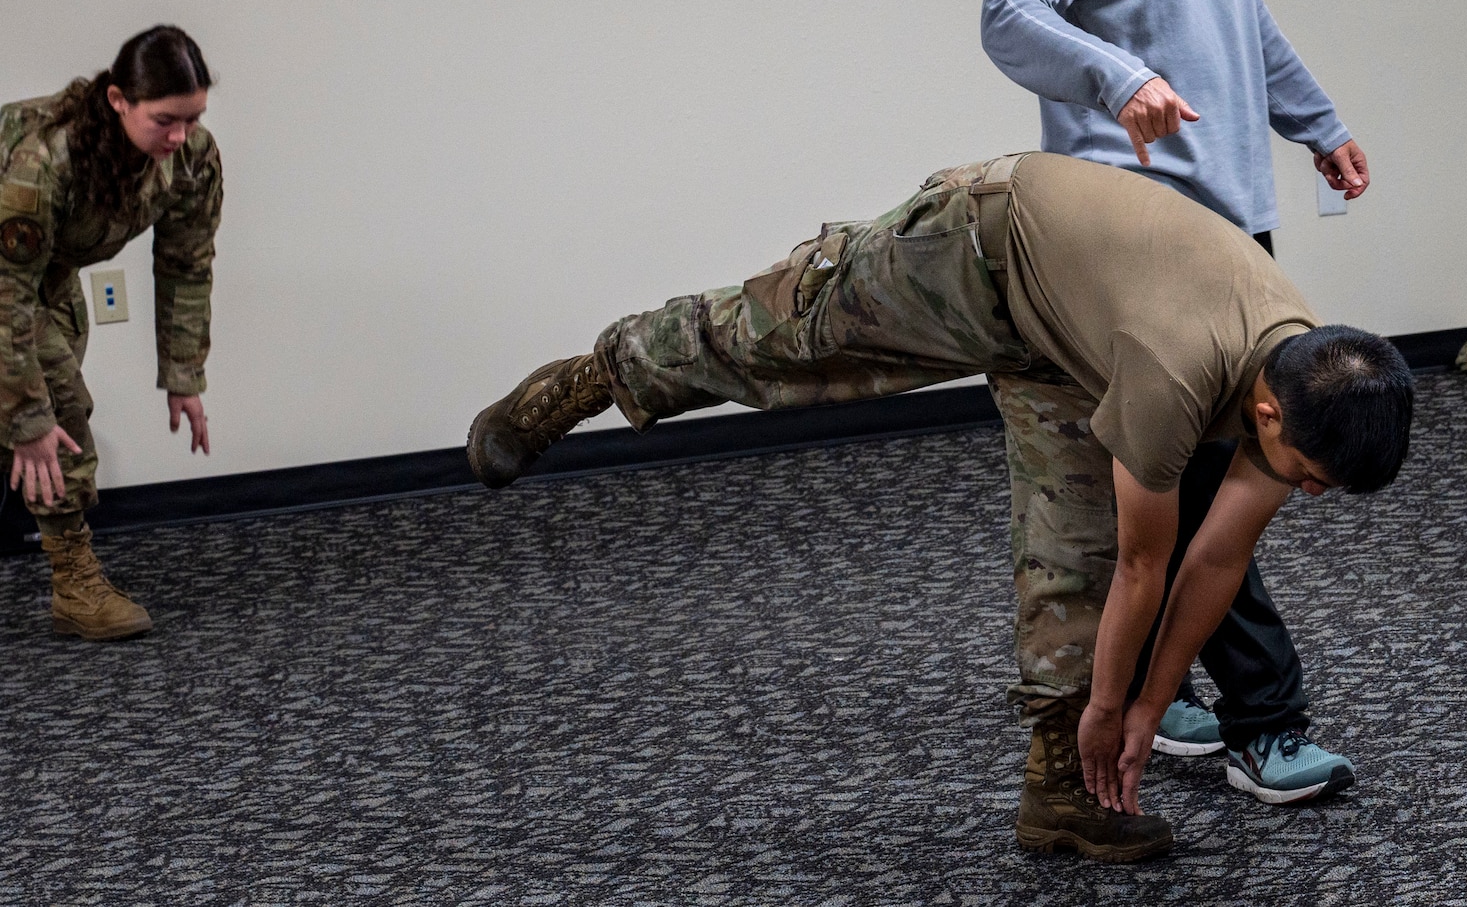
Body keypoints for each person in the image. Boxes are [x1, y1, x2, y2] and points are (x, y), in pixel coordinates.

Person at [466, 151, 1412, 862]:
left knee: (1069, 543)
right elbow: (1149, 565)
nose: (1311, 493)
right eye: (1313, 476)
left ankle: (1062, 790)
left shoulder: (1306, 376)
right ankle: (603, 371)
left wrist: (1144, 706)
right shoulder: (1179, 375)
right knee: (783, 343)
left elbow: (1213, 561)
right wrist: (1117, 703)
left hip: (1072, 336)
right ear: (1265, 411)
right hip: (973, 246)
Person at [979, 0, 1369, 803]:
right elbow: (1009, 13)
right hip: (1139, 235)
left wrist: (1313, 116)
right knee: (1210, 481)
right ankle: (1263, 717)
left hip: (1233, 216)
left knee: (1201, 474)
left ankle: (1179, 690)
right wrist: (1115, 78)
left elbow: (1230, 6)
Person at [1, 26, 221, 640]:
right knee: (55, 412)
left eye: (194, 116)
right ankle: (76, 586)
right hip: (6, 280)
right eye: (165, 120)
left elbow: (186, 262)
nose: (180, 135)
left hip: (47, 273)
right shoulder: (45, 160)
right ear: (119, 100)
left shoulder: (191, 156)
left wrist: (183, 376)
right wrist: (27, 419)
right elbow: (6, 296)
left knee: (36, 411)